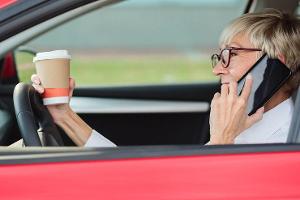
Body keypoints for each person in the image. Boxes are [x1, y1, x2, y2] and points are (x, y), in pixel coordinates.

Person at [32, 9, 300, 147]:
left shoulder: (287, 140)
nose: (217, 69)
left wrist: (221, 142)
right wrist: (63, 115)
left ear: (275, 64)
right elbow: (155, 182)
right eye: (219, 57)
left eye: (231, 54)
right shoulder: (247, 121)